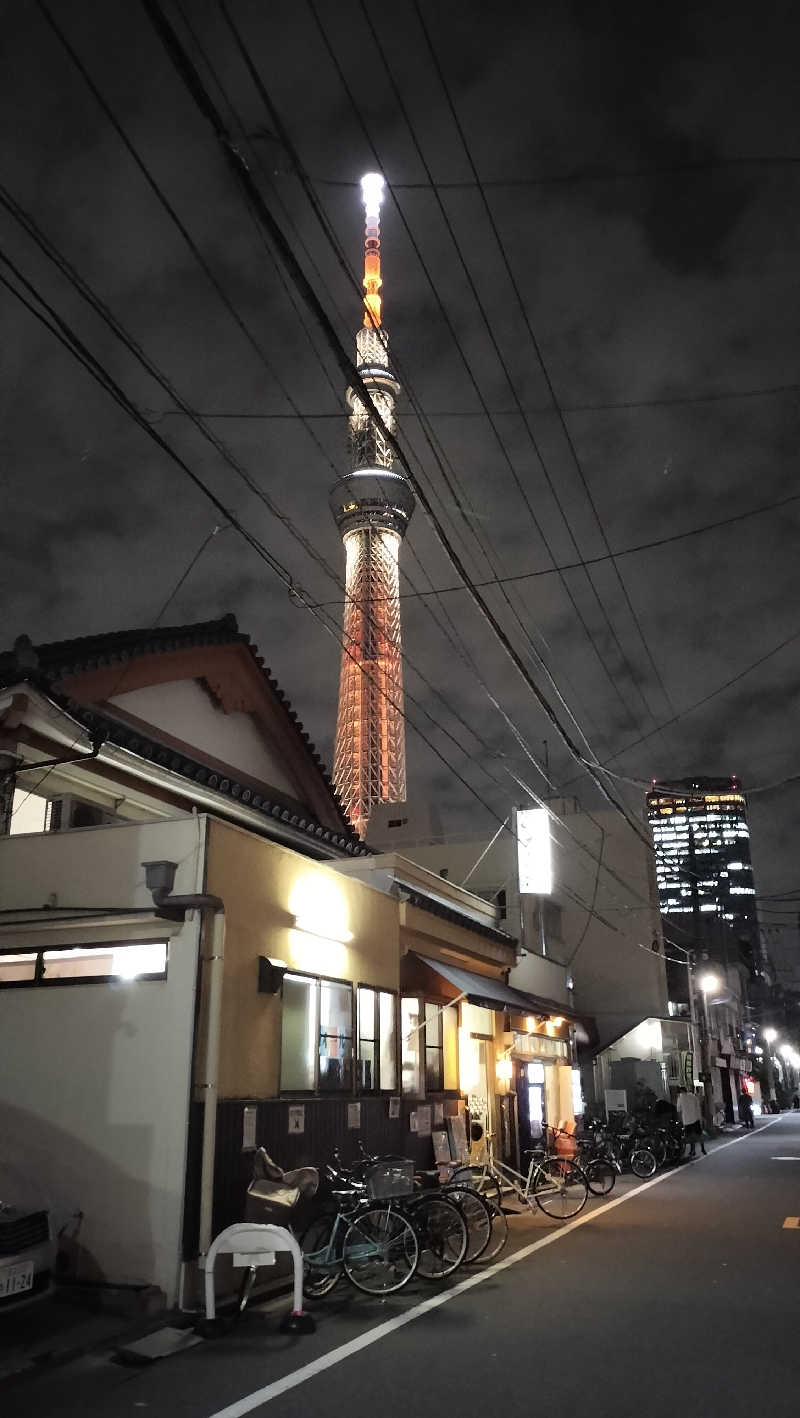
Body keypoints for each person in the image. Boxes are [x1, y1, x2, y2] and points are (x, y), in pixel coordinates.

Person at [676, 1086, 706, 1157]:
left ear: (681, 1091)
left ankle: (693, 1150)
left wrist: (680, 1119)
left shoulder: (680, 1098)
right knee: (699, 1135)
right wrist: (700, 1118)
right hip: (696, 1119)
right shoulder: (693, 1096)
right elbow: (698, 1107)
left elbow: (678, 1109)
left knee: (690, 1136)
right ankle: (703, 1148)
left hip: (687, 1121)